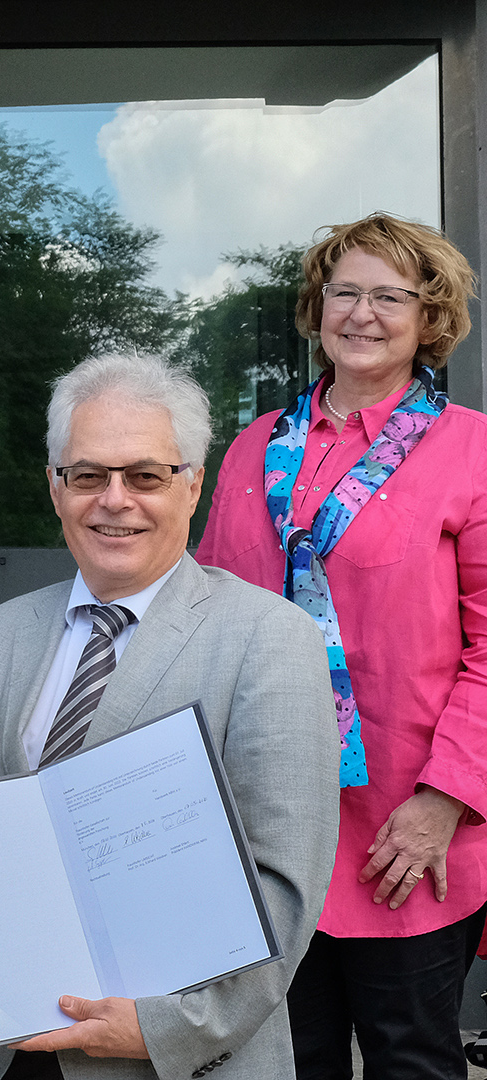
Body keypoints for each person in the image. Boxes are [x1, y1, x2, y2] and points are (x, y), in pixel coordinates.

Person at [0, 354, 339, 1080]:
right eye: (88, 475)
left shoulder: (268, 639)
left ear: (193, 487)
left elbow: (283, 885)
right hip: (6, 1052)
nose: (114, 500)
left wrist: (161, 1027)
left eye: (145, 476)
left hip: (173, 1057)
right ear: (55, 488)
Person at [196, 212, 487, 1079]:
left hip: (407, 830)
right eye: (344, 291)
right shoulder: (256, 447)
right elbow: (209, 625)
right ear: (317, 309)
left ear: (429, 319)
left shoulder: (472, 450)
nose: (361, 313)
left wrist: (444, 801)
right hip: (269, 826)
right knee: (283, 1059)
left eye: (389, 295)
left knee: (410, 1059)